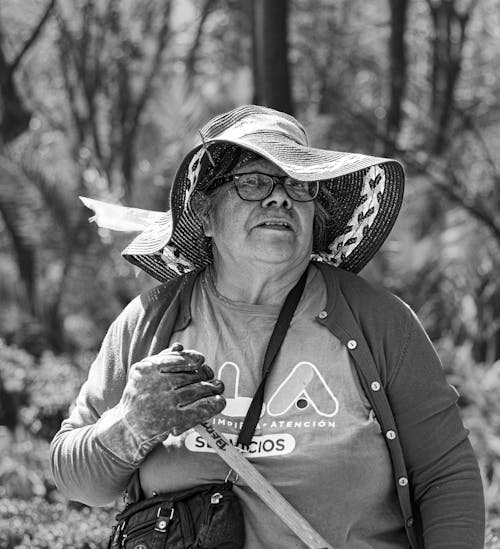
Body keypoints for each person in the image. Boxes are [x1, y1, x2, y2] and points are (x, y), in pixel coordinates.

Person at [50, 105, 485, 548]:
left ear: (316, 214)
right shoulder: (149, 322)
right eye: (252, 181)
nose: (278, 198)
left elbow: (445, 476)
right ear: (205, 212)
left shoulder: (381, 323)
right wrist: (132, 424)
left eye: (297, 184)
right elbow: (75, 479)